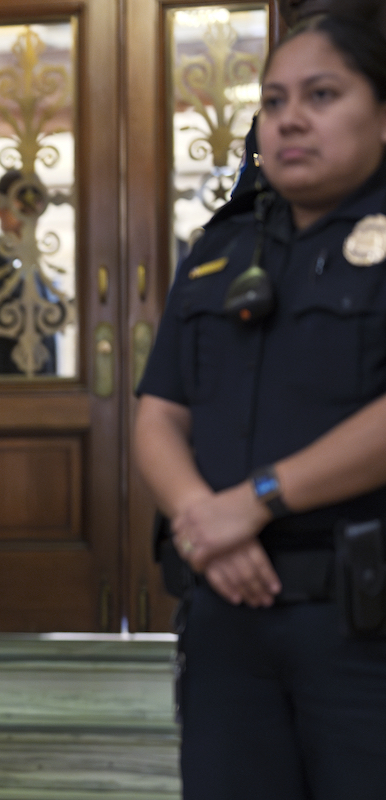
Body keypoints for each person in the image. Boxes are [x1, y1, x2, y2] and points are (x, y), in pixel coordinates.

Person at [134, 14, 386, 799]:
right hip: (224, 616)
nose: (290, 119)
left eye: (322, 94)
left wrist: (258, 501)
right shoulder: (217, 249)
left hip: (362, 623)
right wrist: (204, 521)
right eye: (273, 101)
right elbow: (158, 413)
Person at [0, 169, 58, 376]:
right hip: (4, 390)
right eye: (22, 203)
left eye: (36, 203)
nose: (30, 212)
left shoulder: (36, 269)